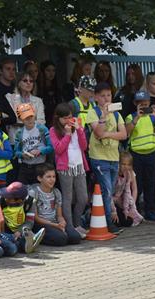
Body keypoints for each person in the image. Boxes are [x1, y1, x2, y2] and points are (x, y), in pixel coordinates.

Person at [88, 82, 128, 230]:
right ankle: (108, 222)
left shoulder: (117, 114)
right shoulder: (93, 113)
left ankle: (101, 218)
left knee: (109, 190)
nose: (106, 98)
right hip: (99, 157)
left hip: (113, 157)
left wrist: (107, 135)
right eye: (103, 96)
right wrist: (104, 117)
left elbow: (124, 134)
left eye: (109, 95)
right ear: (96, 97)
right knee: (106, 189)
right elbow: (98, 132)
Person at [125, 90, 155, 221]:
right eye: (140, 103)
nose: (143, 105)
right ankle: (135, 209)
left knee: (150, 182)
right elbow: (126, 133)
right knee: (136, 183)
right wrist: (137, 117)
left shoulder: (153, 117)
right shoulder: (131, 117)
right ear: (135, 104)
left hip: (151, 154)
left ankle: (151, 210)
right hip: (136, 155)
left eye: (146, 103)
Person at [49, 103, 89, 237]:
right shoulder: (53, 130)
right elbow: (58, 149)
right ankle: (70, 227)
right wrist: (67, 134)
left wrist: (79, 130)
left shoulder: (77, 127)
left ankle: (77, 224)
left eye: (70, 117)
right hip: (65, 168)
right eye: (65, 118)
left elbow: (84, 146)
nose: (68, 120)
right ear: (58, 118)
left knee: (83, 198)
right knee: (68, 198)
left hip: (79, 166)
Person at [28, 163, 82, 246]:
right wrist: (55, 225)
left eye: (54, 177)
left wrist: (62, 221)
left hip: (55, 222)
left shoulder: (56, 192)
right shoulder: (34, 192)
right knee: (61, 239)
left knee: (75, 237)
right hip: (41, 224)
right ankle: (36, 236)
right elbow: (35, 218)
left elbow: (59, 215)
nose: (52, 179)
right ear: (39, 178)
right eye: (48, 177)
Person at [12, 103, 53, 185]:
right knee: (23, 190)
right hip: (25, 166)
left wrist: (40, 151)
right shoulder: (19, 133)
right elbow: (16, 151)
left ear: (34, 115)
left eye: (31, 116)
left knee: (39, 189)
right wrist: (22, 155)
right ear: (21, 119)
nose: (29, 119)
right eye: (26, 118)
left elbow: (51, 147)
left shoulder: (42, 129)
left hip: (40, 166)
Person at [0, 182, 44, 254]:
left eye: (9, 197)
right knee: (12, 243)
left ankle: (29, 241)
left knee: (22, 236)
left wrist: (20, 231)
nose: (6, 198)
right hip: (5, 229)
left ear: (19, 200)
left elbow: (29, 221)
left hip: (20, 229)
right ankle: (31, 241)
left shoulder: (30, 202)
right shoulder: (0, 200)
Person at [6, 72, 45, 144]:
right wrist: (31, 122)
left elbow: (41, 121)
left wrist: (21, 123)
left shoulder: (38, 100)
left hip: (34, 139)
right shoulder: (9, 98)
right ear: (18, 83)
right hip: (15, 138)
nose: (28, 83)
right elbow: (12, 119)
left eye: (31, 81)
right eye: (25, 80)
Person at [114, 152, 143, 227]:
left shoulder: (130, 174)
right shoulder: (114, 174)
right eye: (123, 164)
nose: (126, 167)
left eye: (128, 164)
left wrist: (129, 206)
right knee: (117, 222)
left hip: (125, 200)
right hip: (114, 201)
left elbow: (132, 190)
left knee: (129, 221)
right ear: (119, 163)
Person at [38, 61, 63, 127]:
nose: (51, 73)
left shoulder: (57, 89)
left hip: (56, 122)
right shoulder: (38, 88)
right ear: (43, 71)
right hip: (42, 121)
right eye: (48, 70)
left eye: (53, 71)